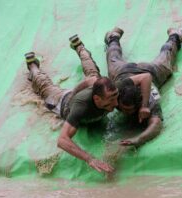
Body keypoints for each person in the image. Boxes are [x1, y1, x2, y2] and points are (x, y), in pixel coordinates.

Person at [24, 36, 119, 173]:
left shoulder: (107, 89)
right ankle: (32, 66)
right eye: (111, 100)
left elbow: (89, 81)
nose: (116, 103)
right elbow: (62, 141)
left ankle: (79, 46)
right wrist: (90, 159)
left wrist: (74, 92)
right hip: (61, 100)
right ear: (97, 99)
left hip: (76, 95)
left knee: (92, 70)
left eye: (116, 97)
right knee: (43, 85)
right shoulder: (81, 108)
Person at [104, 27, 182, 147]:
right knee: (112, 58)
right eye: (123, 108)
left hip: (150, 71)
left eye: (129, 110)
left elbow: (156, 124)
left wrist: (140, 138)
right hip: (123, 71)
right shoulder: (115, 92)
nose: (126, 112)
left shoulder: (150, 99)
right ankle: (113, 37)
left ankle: (175, 35)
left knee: (166, 57)